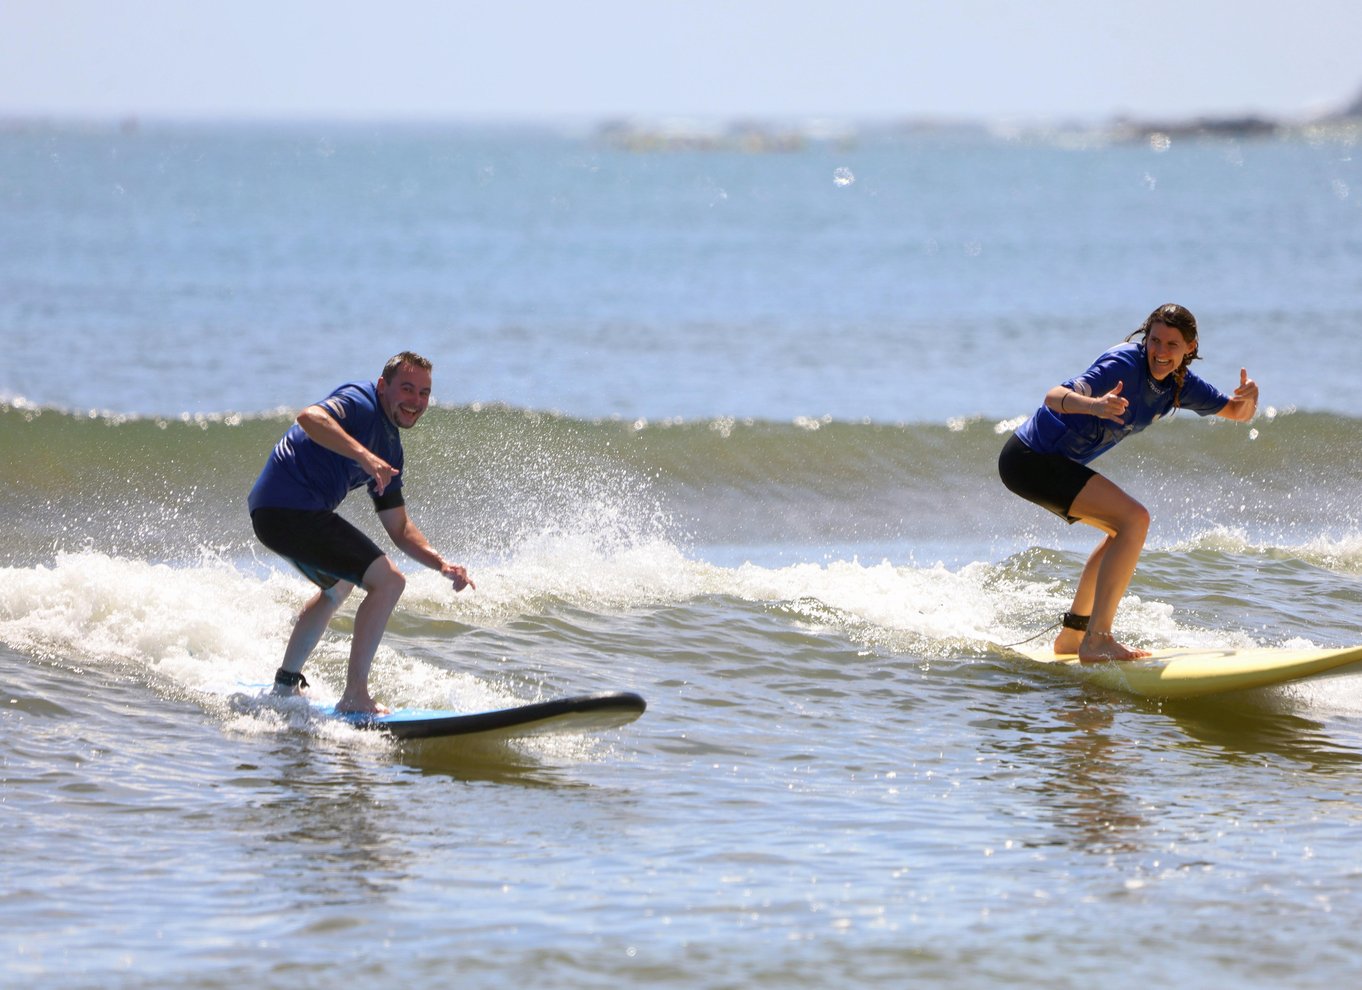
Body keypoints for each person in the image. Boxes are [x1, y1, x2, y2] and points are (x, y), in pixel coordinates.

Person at [998, 304, 1258, 662]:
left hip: (1051, 464)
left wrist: (1248, 402)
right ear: (1145, 338)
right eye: (1155, 341)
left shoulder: (1180, 385)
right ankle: (1098, 639)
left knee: (1123, 529)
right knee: (1134, 519)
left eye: (1172, 344)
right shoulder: (1122, 365)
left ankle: (1073, 637)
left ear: (1190, 348)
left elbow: (1236, 412)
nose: (1161, 352)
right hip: (1030, 458)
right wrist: (1093, 405)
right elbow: (1053, 396)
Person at [248, 351, 474, 713]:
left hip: (283, 514)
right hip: (286, 508)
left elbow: (399, 527)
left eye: (424, 393)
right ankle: (355, 696)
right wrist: (364, 457)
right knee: (389, 582)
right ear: (383, 386)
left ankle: (285, 685)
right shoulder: (359, 400)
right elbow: (309, 417)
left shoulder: (392, 451)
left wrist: (441, 564)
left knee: (338, 586)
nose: (416, 401)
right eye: (407, 388)